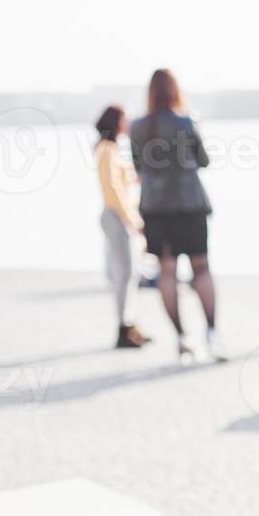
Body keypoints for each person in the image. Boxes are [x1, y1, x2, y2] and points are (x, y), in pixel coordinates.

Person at [129, 68, 224, 362]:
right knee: (201, 268)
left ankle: (182, 337)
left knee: (166, 271)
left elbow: (137, 168)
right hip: (189, 205)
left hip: (156, 209)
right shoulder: (185, 122)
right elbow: (204, 160)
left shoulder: (137, 126)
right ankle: (211, 332)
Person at [93, 105, 151, 349]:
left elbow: (125, 182)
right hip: (116, 216)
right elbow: (113, 189)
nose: (128, 123)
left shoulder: (115, 149)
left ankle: (129, 323)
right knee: (124, 273)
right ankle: (123, 327)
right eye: (124, 119)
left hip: (122, 215)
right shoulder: (106, 150)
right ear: (116, 122)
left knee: (130, 272)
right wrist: (132, 220)